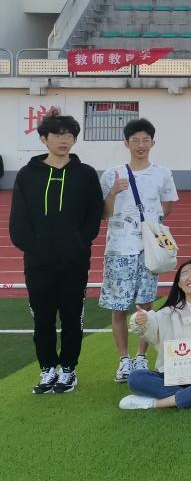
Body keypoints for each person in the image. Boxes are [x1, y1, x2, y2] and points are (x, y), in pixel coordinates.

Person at [9, 109, 103, 395]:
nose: (64, 140)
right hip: (38, 261)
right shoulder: (28, 175)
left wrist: (80, 241)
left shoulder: (85, 174)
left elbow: (94, 213)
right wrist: (31, 245)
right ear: (43, 138)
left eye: (70, 135)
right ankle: (47, 368)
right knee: (43, 318)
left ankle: (68, 368)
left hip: (75, 260)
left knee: (73, 317)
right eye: (58, 134)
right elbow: (19, 215)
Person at [99, 118, 179, 383]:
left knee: (145, 304)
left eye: (146, 140)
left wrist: (148, 226)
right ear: (126, 143)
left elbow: (167, 208)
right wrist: (113, 192)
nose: (141, 145)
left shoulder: (163, 174)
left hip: (149, 250)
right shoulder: (112, 174)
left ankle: (141, 356)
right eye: (135, 140)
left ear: (153, 143)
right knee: (119, 307)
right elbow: (104, 214)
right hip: (119, 249)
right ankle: (124, 360)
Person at [120, 259, 191, 409]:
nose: (190, 277)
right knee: (135, 377)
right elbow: (150, 323)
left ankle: (156, 403)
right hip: (171, 376)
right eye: (185, 274)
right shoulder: (169, 312)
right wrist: (139, 319)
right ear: (179, 284)